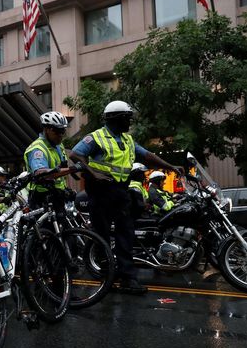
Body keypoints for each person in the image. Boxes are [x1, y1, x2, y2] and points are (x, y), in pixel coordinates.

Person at [69, 100, 180, 295]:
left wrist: (169, 166)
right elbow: (76, 154)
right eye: (127, 118)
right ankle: (107, 276)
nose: (129, 122)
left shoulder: (127, 140)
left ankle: (128, 278)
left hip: (121, 191)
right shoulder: (96, 137)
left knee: (126, 234)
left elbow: (147, 156)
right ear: (116, 118)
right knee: (101, 235)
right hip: (100, 191)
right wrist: (93, 173)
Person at [24, 111, 71, 210]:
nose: (61, 135)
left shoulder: (58, 145)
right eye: (57, 131)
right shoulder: (37, 149)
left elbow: (62, 170)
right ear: (46, 130)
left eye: (63, 131)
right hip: (42, 198)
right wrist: (73, 169)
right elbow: (42, 173)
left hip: (58, 195)